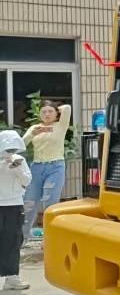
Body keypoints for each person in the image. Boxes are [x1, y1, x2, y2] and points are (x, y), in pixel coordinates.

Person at [22, 101, 72, 240]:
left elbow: (67, 108)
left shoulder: (61, 125)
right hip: (37, 167)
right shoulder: (34, 127)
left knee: (50, 202)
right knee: (30, 202)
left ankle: (50, 239)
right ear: (39, 114)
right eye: (43, 112)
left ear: (56, 114)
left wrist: (56, 109)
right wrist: (32, 134)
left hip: (55, 167)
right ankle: (23, 236)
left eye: (50, 111)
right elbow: (21, 144)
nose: (47, 114)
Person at [1, 130, 32, 290]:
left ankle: (12, 277)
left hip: (14, 204)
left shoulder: (20, 160)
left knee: (13, 240)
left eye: (13, 148)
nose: (10, 152)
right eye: (8, 148)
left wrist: (17, 168)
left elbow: (26, 181)